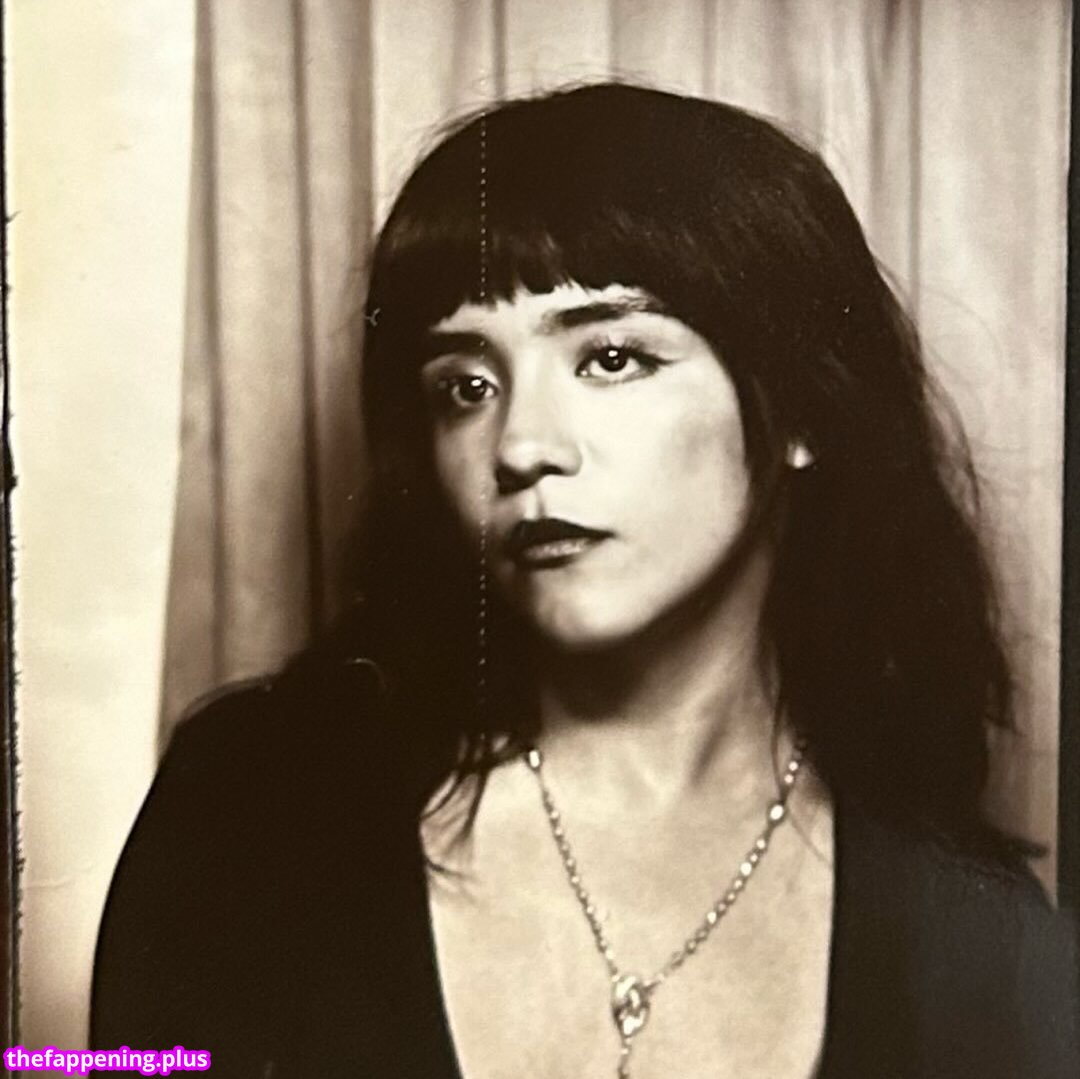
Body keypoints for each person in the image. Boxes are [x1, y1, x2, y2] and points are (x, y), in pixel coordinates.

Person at [92, 82, 1077, 1078]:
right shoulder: (251, 812)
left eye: (610, 357)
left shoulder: (977, 942)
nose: (520, 445)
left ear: (801, 409)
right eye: (466, 385)